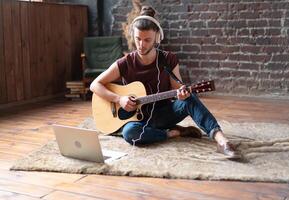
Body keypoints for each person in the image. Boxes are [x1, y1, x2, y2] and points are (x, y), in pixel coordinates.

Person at [90, 6, 240, 160]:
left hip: (164, 114)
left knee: (190, 97)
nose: (141, 45)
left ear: (157, 37)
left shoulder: (168, 60)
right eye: (138, 39)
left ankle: (222, 141)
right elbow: (95, 85)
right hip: (138, 121)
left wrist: (182, 93)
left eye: (147, 40)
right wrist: (119, 99)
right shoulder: (125, 63)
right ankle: (173, 133)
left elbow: (178, 88)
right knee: (130, 133)